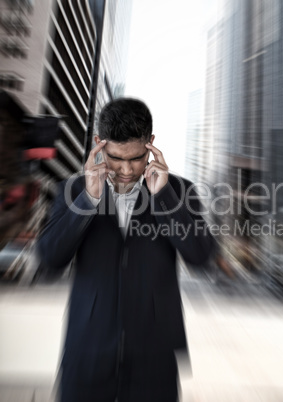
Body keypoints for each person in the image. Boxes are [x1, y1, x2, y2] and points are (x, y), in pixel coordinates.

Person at [38, 98, 215, 402]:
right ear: (99, 144)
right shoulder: (73, 190)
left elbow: (200, 256)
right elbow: (50, 259)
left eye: (136, 158)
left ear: (151, 145)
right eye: (115, 157)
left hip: (155, 356)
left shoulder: (180, 191)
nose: (126, 169)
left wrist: (164, 197)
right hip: (87, 350)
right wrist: (88, 201)